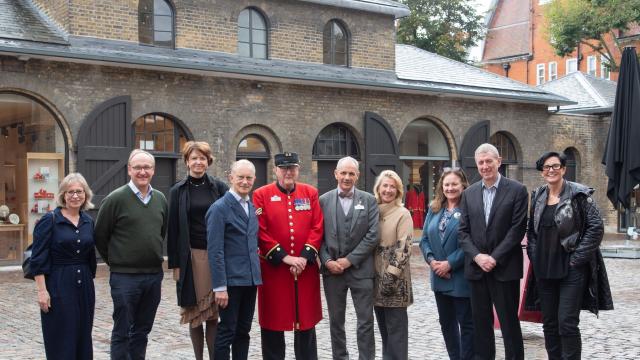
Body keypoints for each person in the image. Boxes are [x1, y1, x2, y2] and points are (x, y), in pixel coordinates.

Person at [525, 151, 613, 360]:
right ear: (542, 172)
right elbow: (532, 230)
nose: (551, 170)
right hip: (545, 270)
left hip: (571, 271)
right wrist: (535, 256)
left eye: (555, 166)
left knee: (567, 323)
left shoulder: (579, 195)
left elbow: (596, 228)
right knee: (550, 324)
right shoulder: (538, 196)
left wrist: (576, 260)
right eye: (547, 167)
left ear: (564, 169)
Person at [95, 149, 168, 360]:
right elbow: (101, 236)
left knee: (142, 331)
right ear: (129, 170)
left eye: (147, 167)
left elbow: (160, 232)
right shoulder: (115, 199)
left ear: (153, 170)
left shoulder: (160, 199)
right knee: (122, 331)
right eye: (137, 167)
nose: (142, 172)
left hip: (153, 276)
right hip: (125, 277)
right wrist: (118, 260)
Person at [458, 143, 528, 360]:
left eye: (489, 161)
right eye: (481, 162)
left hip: (504, 269)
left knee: (509, 324)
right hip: (477, 270)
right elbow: (463, 232)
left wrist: (494, 258)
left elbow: (517, 230)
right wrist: (478, 257)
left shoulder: (517, 190)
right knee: (481, 324)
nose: (485, 166)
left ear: (499, 161)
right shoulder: (468, 194)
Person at [252, 152, 324, 360]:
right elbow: (260, 230)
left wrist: (303, 257)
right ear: (275, 170)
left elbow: (317, 227)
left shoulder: (310, 193)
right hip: (274, 270)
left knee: (306, 323)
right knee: (273, 323)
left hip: (305, 269)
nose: (288, 172)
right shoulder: (261, 195)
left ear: (298, 169)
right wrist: (284, 257)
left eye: (292, 168)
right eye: (283, 168)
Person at [167, 141, 228, 360]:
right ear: (186, 162)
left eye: (202, 158)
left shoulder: (219, 188)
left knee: (212, 314)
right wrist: (175, 265)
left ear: (208, 161)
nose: (198, 162)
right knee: (194, 313)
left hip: (215, 256)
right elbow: (172, 230)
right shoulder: (177, 191)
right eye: (194, 158)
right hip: (189, 257)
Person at [30, 173, 96, 360]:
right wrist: (42, 291)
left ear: (86, 195)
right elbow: (38, 258)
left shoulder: (88, 221)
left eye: (79, 191)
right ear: (63, 195)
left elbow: (91, 254)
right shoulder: (50, 220)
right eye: (70, 192)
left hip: (84, 286)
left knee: (83, 335)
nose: (75, 196)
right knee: (60, 336)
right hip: (58, 283)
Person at [319, 156, 379, 360]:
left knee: (365, 321)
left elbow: (373, 235)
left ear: (357, 176)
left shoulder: (369, 200)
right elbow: (318, 236)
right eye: (343, 173)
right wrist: (327, 261)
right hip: (332, 272)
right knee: (336, 321)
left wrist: (349, 260)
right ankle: (340, 357)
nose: (346, 177)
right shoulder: (323, 200)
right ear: (335, 174)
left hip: (361, 271)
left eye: (351, 173)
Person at [207, 159, 262, 360]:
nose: (245, 182)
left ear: (254, 179)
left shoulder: (252, 206)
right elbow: (215, 250)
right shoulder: (219, 208)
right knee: (227, 332)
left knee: (243, 332)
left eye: (249, 178)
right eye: (240, 177)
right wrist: (219, 286)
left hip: (250, 279)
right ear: (231, 178)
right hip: (230, 281)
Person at [420, 167, 474, 360]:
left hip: (460, 277)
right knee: (447, 324)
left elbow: (472, 241)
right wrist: (432, 261)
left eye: (454, 184)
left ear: (463, 185)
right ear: (441, 187)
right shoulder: (434, 209)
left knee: (466, 325)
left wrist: (449, 263)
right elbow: (424, 239)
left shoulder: (469, 209)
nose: (450, 188)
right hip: (439, 278)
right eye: (446, 184)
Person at [372, 170, 413, 360]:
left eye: (392, 187)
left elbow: (404, 249)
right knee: (385, 334)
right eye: (385, 186)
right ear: (378, 189)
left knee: (396, 336)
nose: (388, 190)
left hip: (394, 283)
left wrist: (389, 279)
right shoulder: (373, 211)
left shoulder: (403, 214)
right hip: (375, 280)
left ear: (398, 191)